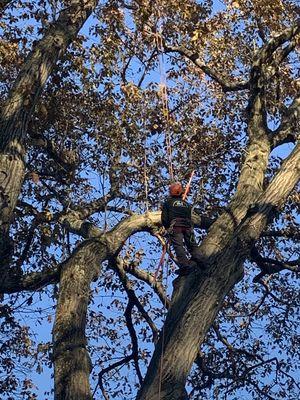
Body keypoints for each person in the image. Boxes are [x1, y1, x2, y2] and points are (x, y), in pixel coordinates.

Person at [161, 182, 202, 275]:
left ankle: (185, 266)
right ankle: (201, 260)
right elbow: (189, 217)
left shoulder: (168, 203)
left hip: (176, 227)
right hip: (188, 227)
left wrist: (167, 229)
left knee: (178, 246)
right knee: (192, 245)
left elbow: (164, 218)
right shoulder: (187, 204)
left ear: (171, 193)